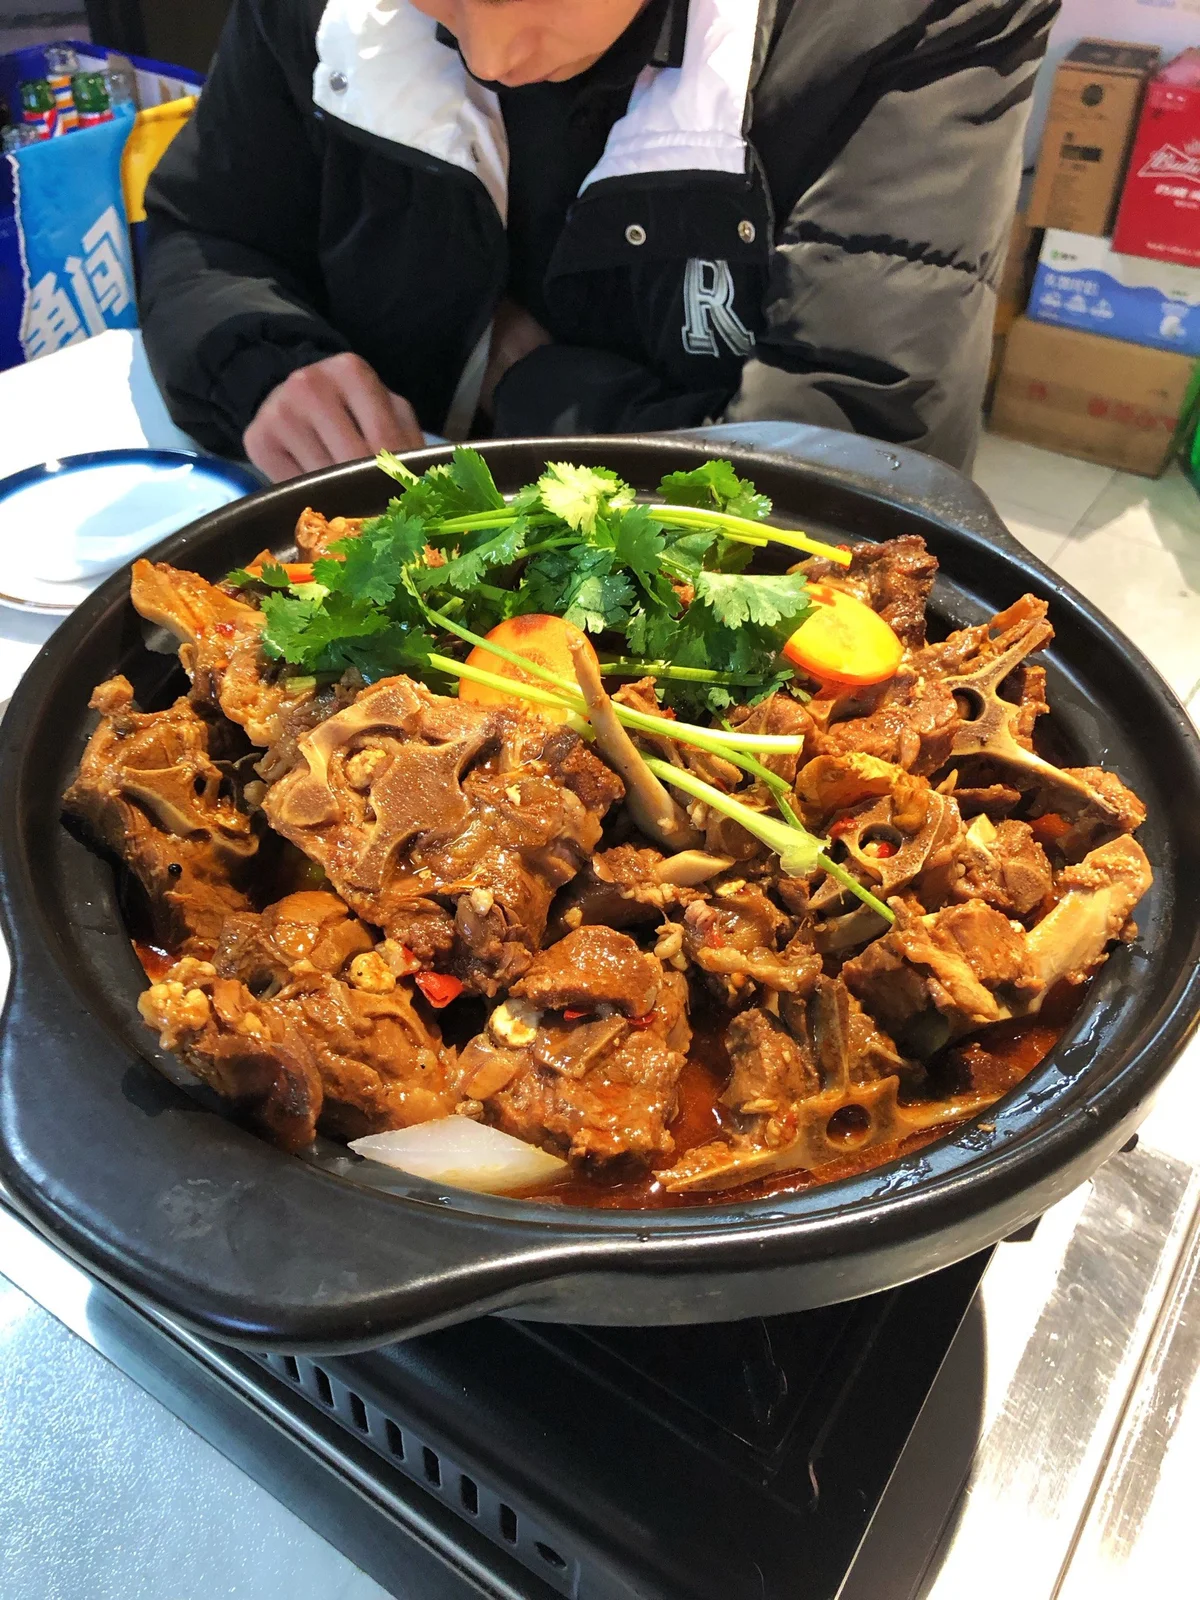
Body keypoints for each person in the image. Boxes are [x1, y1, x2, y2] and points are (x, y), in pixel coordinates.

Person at [141, 0, 1059, 482]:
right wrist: (261, 361)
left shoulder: (909, 21)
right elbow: (207, 232)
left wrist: (523, 385)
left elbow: (862, 459)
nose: (494, 56)